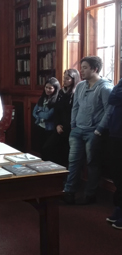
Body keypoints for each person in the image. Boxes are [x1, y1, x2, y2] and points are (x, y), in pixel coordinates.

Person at [63, 56, 113, 205]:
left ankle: (90, 195)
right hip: (77, 130)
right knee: (73, 162)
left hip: (94, 132)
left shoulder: (105, 88)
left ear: (95, 69)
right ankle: (69, 191)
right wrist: (73, 125)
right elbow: (75, 106)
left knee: (92, 164)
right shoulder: (80, 86)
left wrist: (99, 129)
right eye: (81, 67)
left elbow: (109, 111)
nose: (81, 70)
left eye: (84, 67)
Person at [42, 69, 81, 166]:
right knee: (47, 148)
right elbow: (57, 111)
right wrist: (57, 125)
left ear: (74, 80)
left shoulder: (76, 93)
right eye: (64, 78)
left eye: (67, 79)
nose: (64, 80)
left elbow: (75, 112)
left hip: (71, 128)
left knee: (65, 154)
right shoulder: (60, 92)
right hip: (60, 127)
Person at [106, 78, 122, 229]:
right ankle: (119, 208)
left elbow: (115, 96)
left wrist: (118, 94)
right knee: (117, 173)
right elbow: (112, 98)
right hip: (115, 133)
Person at [32, 77, 61, 158]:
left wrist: (39, 113)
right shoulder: (42, 98)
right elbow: (34, 112)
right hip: (40, 126)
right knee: (41, 149)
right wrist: (40, 115)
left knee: (48, 150)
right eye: (46, 87)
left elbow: (48, 116)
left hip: (50, 129)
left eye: (50, 88)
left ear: (55, 89)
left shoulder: (56, 100)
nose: (48, 90)